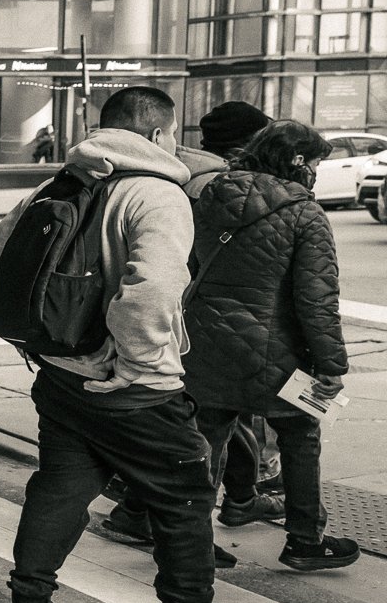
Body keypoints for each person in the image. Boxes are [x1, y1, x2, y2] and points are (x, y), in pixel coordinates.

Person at [0, 86, 263, 603]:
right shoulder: (156, 195)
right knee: (184, 502)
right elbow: (153, 289)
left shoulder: (58, 185)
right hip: (135, 387)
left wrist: (46, 340)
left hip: (60, 379)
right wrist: (133, 364)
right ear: (159, 134)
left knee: (59, 490)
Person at [98, 99, 276, 549]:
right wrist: (142, 364)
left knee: (216, 420)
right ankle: (178, 540)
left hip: (183, 323)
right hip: (198, 325)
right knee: (202, 428)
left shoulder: (159, 175)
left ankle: (233, 496)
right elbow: (157, 279)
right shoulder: (213, 187)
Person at [183, 122, 360, 573]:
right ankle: (304, 540)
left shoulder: (208, 198)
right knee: (301, 437)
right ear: (298, 161)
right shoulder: (305, 214)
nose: (319, 171)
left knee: (206, 439)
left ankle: (191, 541)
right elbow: (317, 299)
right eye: (317, 162)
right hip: (276, 349)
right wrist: (331, 365)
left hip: (205, 340)